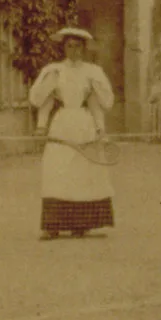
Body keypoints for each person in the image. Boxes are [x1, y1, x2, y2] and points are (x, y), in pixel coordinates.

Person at [27, 25, 116, 240]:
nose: (73, 51)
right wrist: (41, 127)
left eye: (77, 47)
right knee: (56, 170)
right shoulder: (55, 71)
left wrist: (100, 131)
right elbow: (44, 102)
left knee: (83, 172)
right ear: (63, 48)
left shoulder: (92, 72)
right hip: (62, 125)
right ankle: (52, 226)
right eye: (69, 46)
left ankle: (80, 224)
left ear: (84, 49)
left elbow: (97, 105)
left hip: (84, 126)